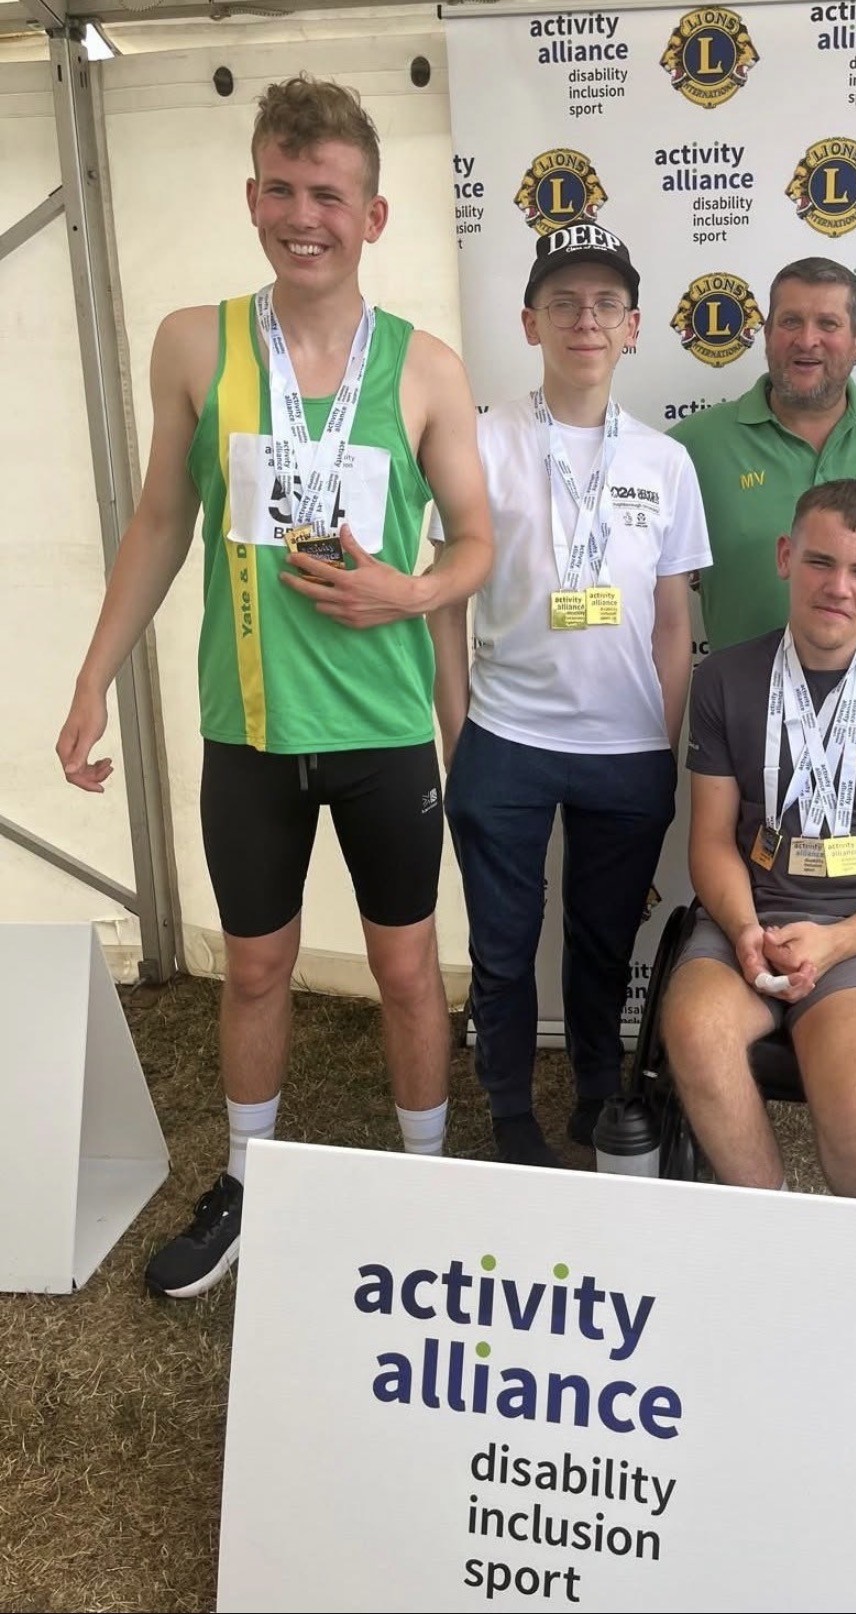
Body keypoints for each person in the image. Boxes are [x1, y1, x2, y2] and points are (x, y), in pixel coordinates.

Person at [55, 75, 494, 1297]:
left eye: (331, 196)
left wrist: (407, 592)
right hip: (248, 733)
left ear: (374, 215)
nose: (306, 217)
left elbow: (476, 544)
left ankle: (423, 1178)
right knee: (253, 967)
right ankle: (247, 1180)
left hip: (384, 731)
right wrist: (93, 679)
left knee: (406, 970)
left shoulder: (425, 369)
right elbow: (159, 521)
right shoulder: (194, 343)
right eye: (285, 190)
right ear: (253, 196)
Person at [433, 222, 711, 1169]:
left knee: (601, 942)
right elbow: (444, 602)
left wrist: (658, 741)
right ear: (530, 323)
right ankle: (510, 1111)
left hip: (626, 749)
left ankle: (599, 1094)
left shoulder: (665, 462)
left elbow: (672, 621)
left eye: (604, 304)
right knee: (504, 944)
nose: (584, 320)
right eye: (563, 303)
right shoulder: (480, 442)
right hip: (505, 735)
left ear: (632, 326)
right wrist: (458, 732)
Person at [659, 480, 856, 1196]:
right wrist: (744, 930)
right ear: (784, 558)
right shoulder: (724, 678)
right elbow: (710, 841)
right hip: (747, 924)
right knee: (695, 1034)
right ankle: (769, 1225)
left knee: (855, 1093)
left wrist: (836, 942)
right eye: (820, 562)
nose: (838, 587)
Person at [668, 257, 856, 652]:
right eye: (791, 321)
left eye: (828, 324)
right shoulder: (693, 446)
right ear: (767, 334)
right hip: (743, 690)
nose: (807, 339)